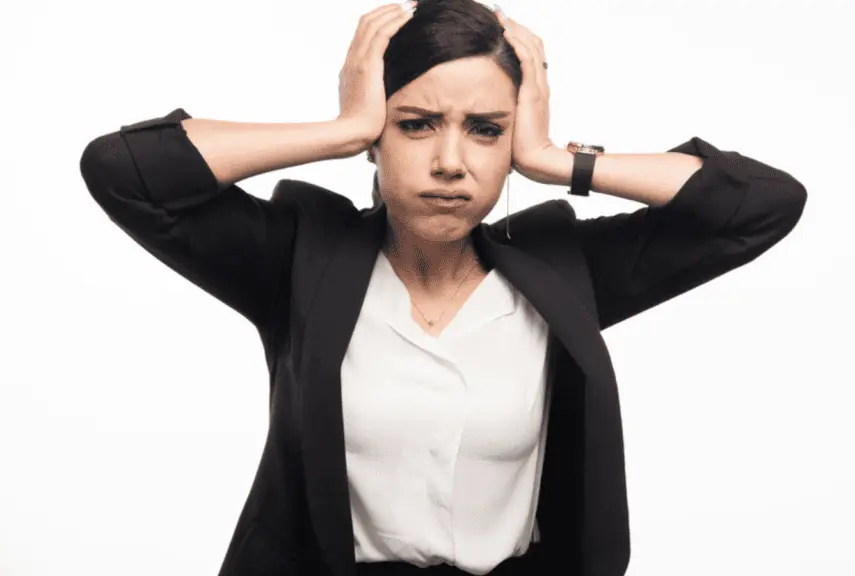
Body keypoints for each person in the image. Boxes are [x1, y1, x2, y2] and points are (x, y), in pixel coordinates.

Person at [78, 0, 807, 575]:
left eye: (485, 131)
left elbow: (759, 206)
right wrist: (342, 127)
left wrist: (558, 160)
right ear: (379, 135)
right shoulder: (302, 260)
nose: (450, 162)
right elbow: (127, 171)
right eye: (417, 124)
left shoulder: (559, 273)